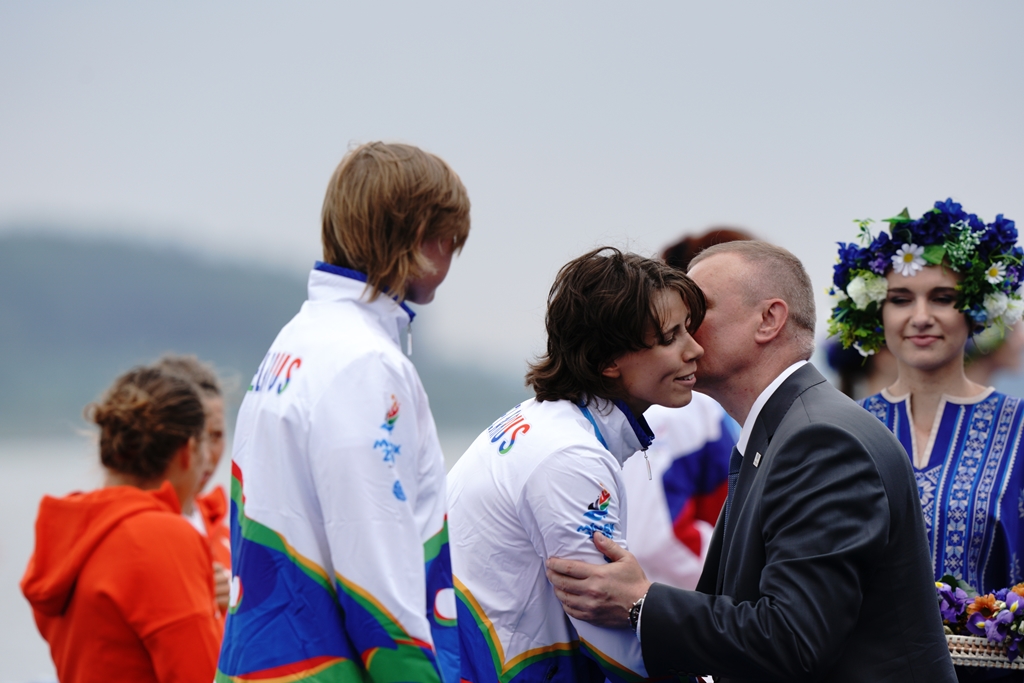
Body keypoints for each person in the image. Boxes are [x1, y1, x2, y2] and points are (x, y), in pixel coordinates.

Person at [545, 240, 956, 682]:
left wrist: (641, 602)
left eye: (697, 313)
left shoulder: (820, 441)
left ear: (768, 320)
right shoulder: (786, 430)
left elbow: (794, 639)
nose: (682, 332)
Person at [216, 142, 470, 683]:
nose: (454, 254)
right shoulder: (365, 364)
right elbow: (376, 569)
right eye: (452, 238)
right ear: (420, 238)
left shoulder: (297, 339)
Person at [447, 247, 705, 682]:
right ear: (607, 360)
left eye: (689, 330)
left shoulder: (545, 420)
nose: (694, 349)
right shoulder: (570, 457)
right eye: (669, 338)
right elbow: (613, 640)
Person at [828, 200, 1024, 598]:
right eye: (900, 299)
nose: (920, 317)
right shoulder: (843, 429)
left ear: (974, 309)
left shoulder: (1019, 425)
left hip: (991, 640)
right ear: (877, 313)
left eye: (942, 297)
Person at [21, 366, 222, 683]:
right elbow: (204, 675)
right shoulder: (160, 537)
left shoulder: (69, 535)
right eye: (204, 447)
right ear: (188, 452)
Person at [621, 227, 750, 589]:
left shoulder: (704, 402)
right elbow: (654, 537)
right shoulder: (675, 405)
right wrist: (746, 575)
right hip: (680, 604)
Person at [155, 354, 231, 619]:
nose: (207, 455)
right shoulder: (136, 533)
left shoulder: (228, 535)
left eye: (216, 436)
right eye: (197, 437)